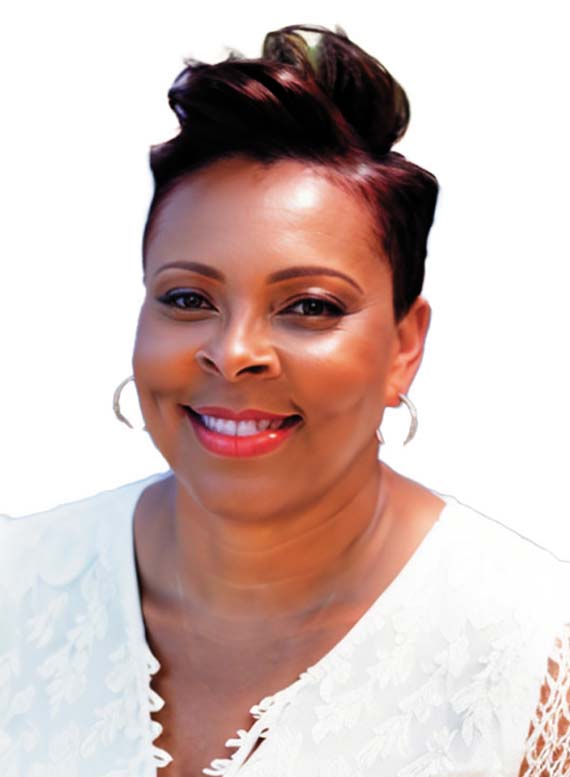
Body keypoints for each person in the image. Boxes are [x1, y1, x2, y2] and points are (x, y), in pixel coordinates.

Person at [1, 22, 569, 777]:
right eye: (188, 297)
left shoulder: (536, 660)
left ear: (404, 347)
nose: (234, 352)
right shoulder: (15, 587)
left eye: (309, 306)